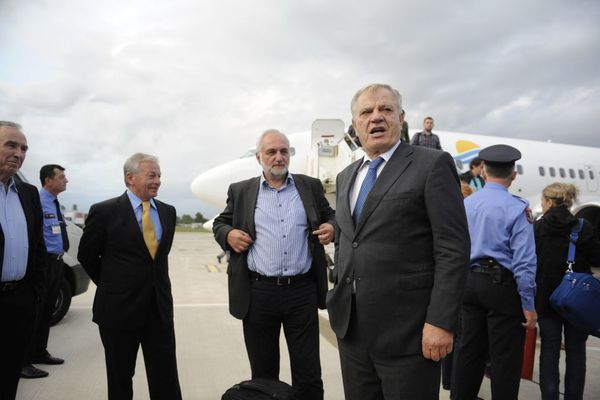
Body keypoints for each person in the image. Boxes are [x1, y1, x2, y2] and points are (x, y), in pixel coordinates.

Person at [327, 83, 470, 399]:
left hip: (410, 334)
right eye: (366, 112)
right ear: (355, 125)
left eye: (386, 109)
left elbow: (452, 249)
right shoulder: (346, 176)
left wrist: (441, 321)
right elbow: (348, 241)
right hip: (352, 332)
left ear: (401, 119)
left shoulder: (431, 165)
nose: (376, 117)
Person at [213, 129, 335, 400]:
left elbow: (332, 216)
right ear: (259, 158)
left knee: (308, 373)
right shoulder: (241, 190)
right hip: (259, 293)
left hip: (301, 292)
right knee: (263, 375)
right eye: (271, 152)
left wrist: (332, 227)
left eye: (284, 151)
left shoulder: (310, 186)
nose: (279, 157)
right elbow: (220, 223)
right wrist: (228, 234)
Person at [78, 153, 182, 400]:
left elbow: (158, 261)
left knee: (166, 376)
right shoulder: (104, 211)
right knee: (120, 378)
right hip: (118, 310)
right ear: (130, 178)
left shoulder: (168, 212)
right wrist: (113, 285)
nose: (158, 181)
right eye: (151, 175)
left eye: (159, 176)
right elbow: (87, 255)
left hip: (158, 309)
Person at [452, 144, 538, 400]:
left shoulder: (466, 204)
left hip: (468, 282)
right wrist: (528, 303)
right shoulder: (517, 208)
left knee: (468, 353)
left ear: (483, 172)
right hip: (501, 286)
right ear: (513, 175)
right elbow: (524, 261)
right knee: (505, 359)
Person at [534, 182, 600, 400]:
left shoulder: (538, 227)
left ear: (549, 202)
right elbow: (596, 259)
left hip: (547, 299)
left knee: (549, 351)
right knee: (576, 351)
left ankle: (549, 396)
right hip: (577, 300)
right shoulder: (583, 226)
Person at [0, 121, 47, 400]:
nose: (19, 153)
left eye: (24, 148)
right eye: (11, 145)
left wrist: (33, 295)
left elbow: (38, 247)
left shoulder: (28, 194)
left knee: (8, 379)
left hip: (19, 303)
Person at [21, 165, 69, 379]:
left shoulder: (55, 202)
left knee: (48, 310)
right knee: (34, 312)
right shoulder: (38, 200)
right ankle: (23, 362)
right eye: (61, 177)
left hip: (57, 262)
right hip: (43, 263)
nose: (66, 180)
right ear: (48, 180)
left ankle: (40, 352)